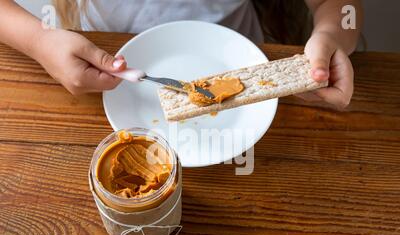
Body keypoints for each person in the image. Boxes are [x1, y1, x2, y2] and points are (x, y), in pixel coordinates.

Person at [0, 0, 362, 109]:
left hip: (252, 76)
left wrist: (329, 36)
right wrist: (39, 40)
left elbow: (335, 4)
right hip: (96, 80)